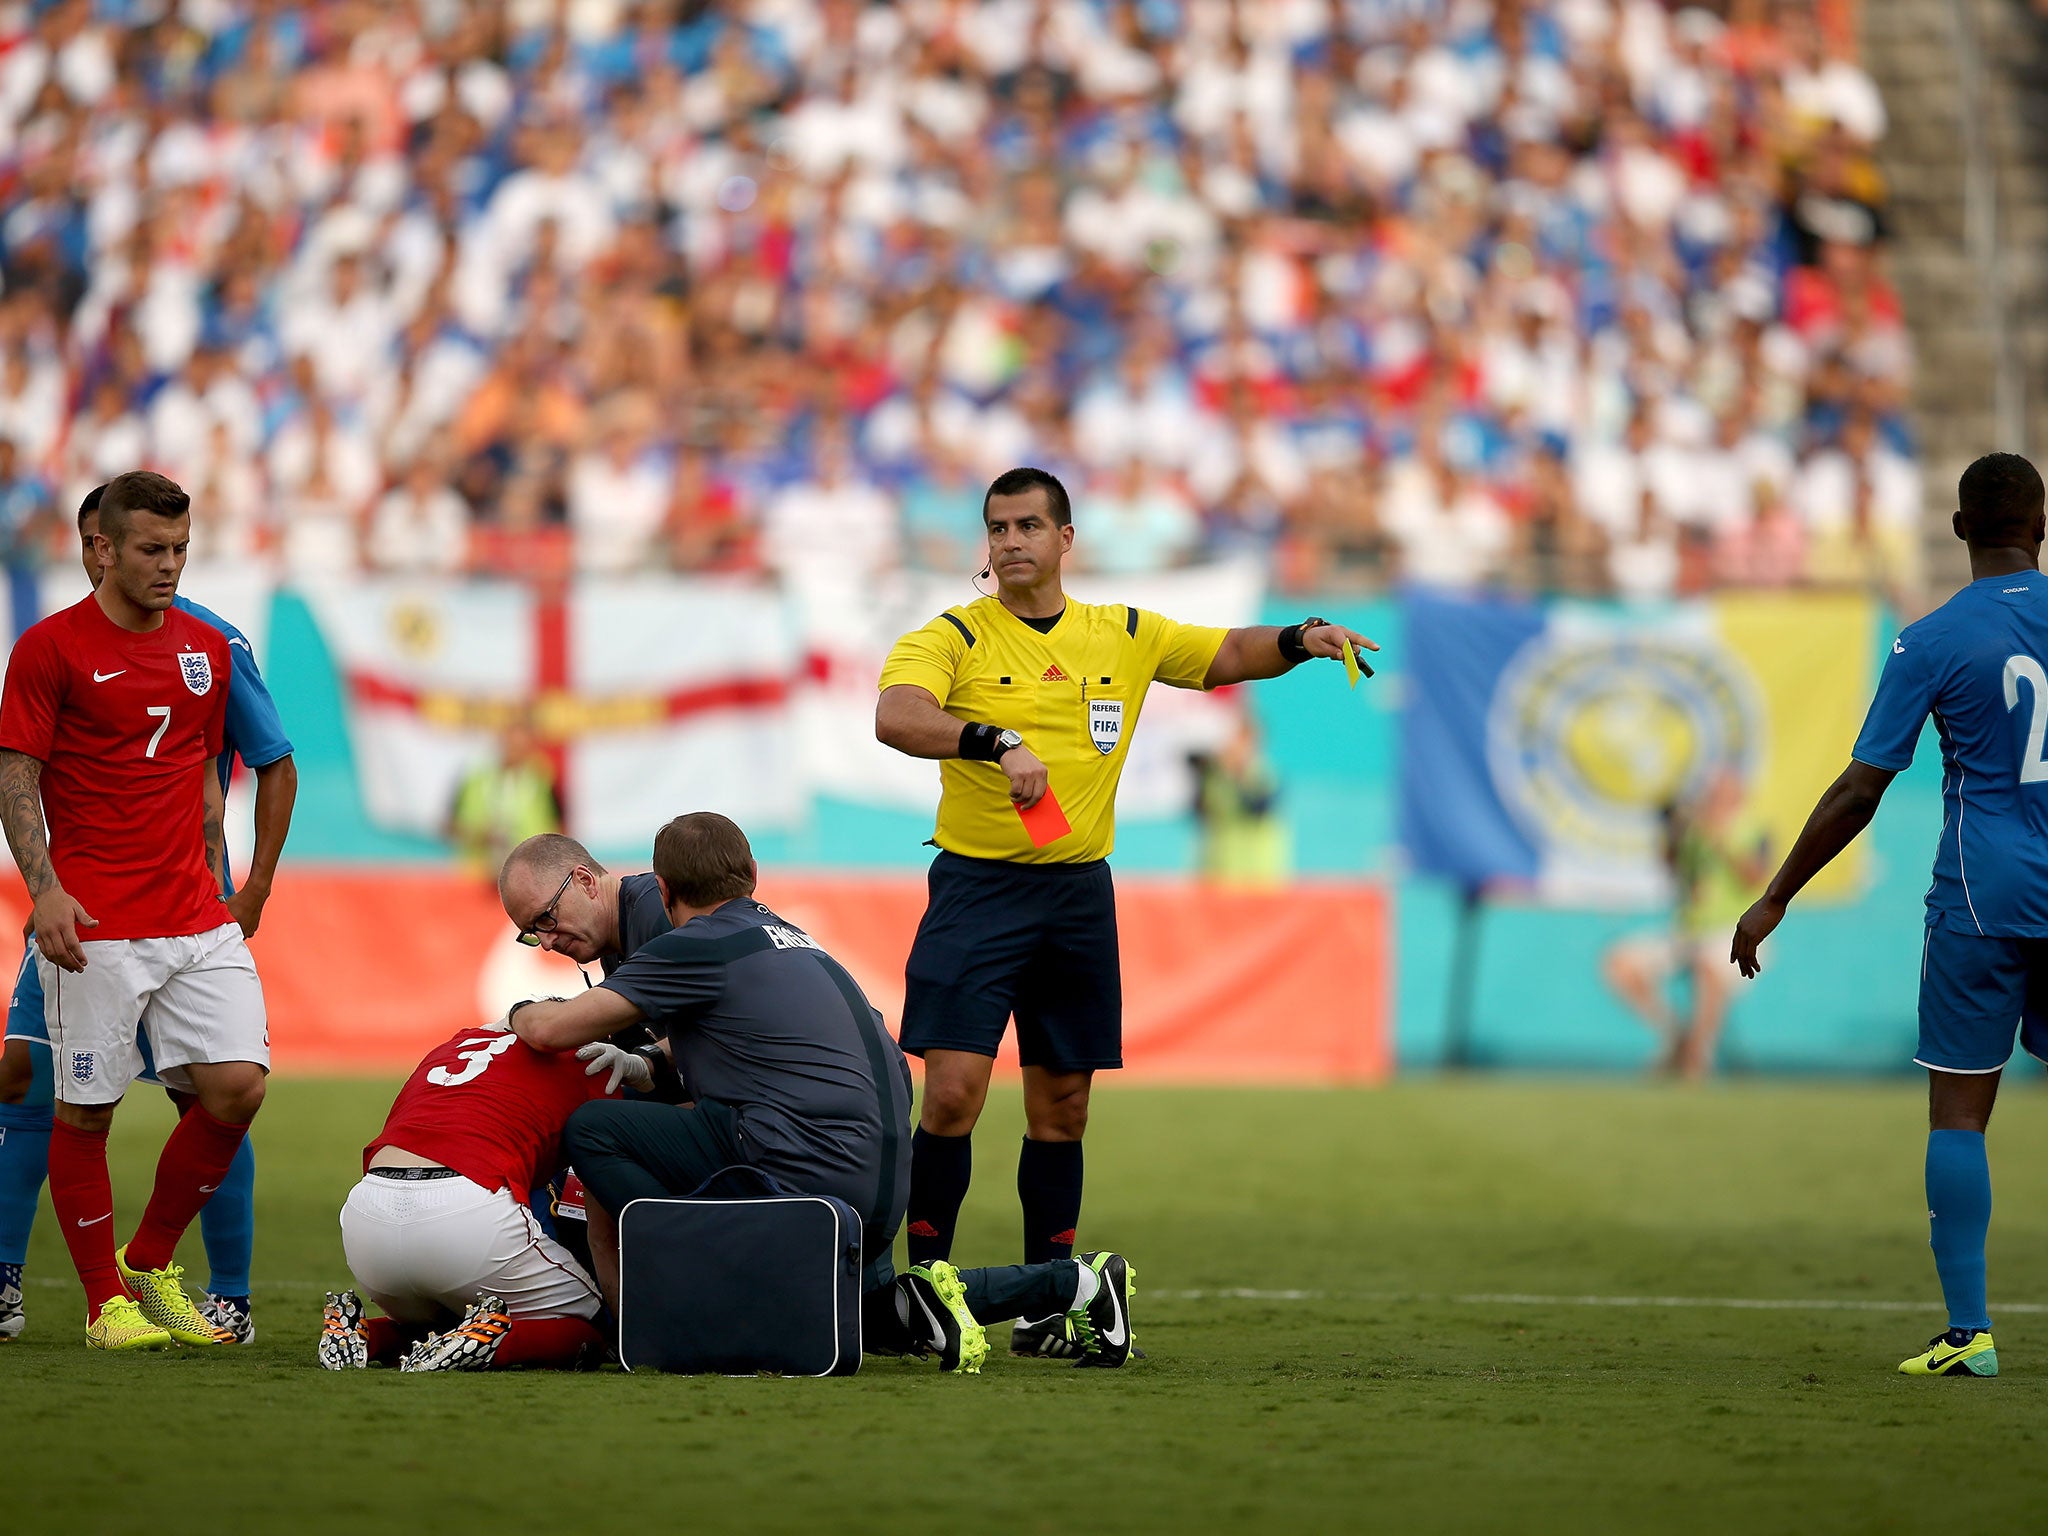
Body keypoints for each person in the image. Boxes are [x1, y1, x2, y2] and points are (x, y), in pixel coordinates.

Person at [873, 465, 1374, 1357]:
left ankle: (1044, 1305)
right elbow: (897, 717)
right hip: (977, 890)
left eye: (1029, 525)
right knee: (951, 1094)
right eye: (996, 528)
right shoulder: (951, 636)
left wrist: (1303, 636)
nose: (1010, 542)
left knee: (1061, 1105)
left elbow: (1223, 655)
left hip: (1074, 895)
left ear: (1067, 540)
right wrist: (992, 738)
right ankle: (920, 1295)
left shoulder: (1126, 633)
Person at [508, 812, 1137, 1373]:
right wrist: (650, 1065)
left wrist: (516, 1015)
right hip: (879, 1163)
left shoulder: (675, 933)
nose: (546, 939)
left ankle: (693, 1284)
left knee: (595, 1129)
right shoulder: (768, 930)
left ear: (657, 890)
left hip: (810, 1155)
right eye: (530, 932)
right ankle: (1074, 1284)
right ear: (752, 873)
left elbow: (552, 1029)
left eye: (545, 919)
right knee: (865, 1316)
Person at [1732, 452, 2048, 1379]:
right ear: (2042, 524)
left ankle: (1970, 1336)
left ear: (1957, 531)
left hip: (1981, 901)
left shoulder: (1932, 640)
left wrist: (1776, 893)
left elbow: (1862, 788)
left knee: (1959, 1114)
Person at [0, 482, 296, 1344]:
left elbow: (217, 776)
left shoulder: (209, 647)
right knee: (66, 1102)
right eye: (151, 550)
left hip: (194, 917)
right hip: (93, 923)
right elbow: (16, 774)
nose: (169, 566)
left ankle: (162, 1262)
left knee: (236, 1088)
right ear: (100, 549)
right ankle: (102, 1308)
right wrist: (44, 889)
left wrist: (241, 889)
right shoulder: (49, 649)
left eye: (180, 549)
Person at [317, 1022, 637, 1373]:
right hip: (467, 1207)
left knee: (454, 1316)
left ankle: (366, 1335)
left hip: (367, 1216)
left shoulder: (455, 1043)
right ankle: (494, 1348)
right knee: (589, 1327)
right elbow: (601, 1224)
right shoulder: (589, 1057)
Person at [1604, 769, 1768, 1079]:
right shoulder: (1694, 831)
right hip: (1689, 930)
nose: (1712, 800)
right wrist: (1673, 831)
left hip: (1734, 933)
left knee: (1710, 968)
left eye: (1720, 793)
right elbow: (1672, 869)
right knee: (1621, 964)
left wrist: (1718, 837)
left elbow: (1754, 878)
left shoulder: (1753, 829)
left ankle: (1696, 1058)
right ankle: (1677, 1036)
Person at [448, 718, 562, 881]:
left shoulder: (543, 781)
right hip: (476, 875)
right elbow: (450, 827)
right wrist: (478, 835)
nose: (515, 752)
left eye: (521, 748)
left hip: (529, 878)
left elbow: (560, 829)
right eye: (511, 745)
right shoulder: (475, 779)